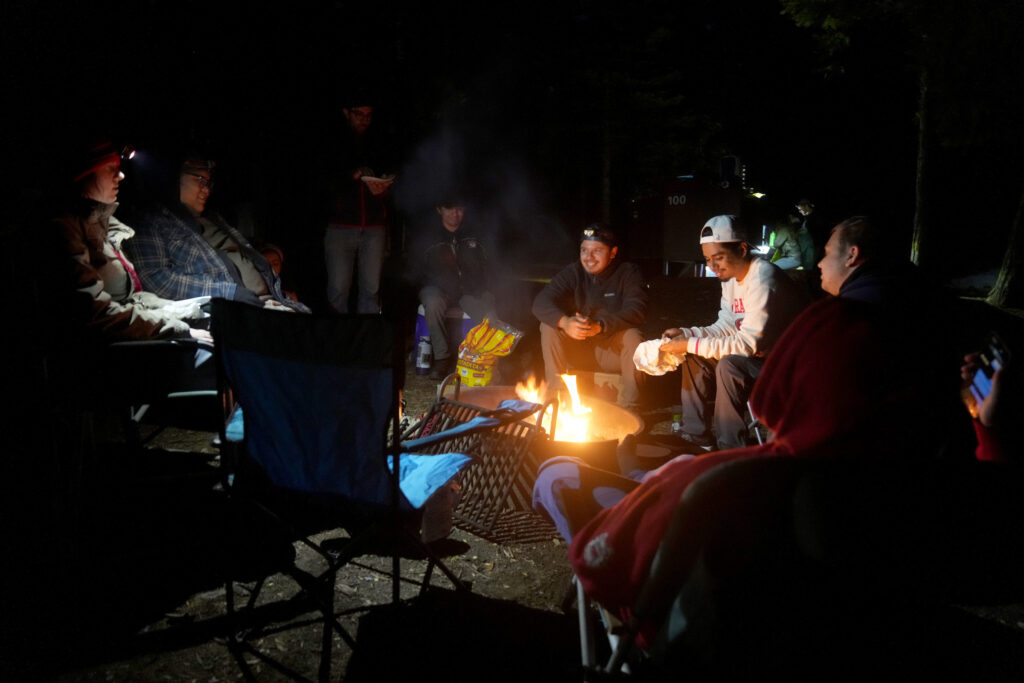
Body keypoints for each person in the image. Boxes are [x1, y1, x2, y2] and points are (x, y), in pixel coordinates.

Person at [564, 293, 973, 648]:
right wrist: (985, 425)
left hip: (698, 641)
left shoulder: (716, 480)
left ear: (783, 386)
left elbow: (592, 564)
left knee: (558, 475)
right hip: (815, 644)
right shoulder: (921, 505)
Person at [659, 215, 805, 450]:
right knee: (694, 355)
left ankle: (730, 450)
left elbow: (749, 343)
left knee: (729, 365)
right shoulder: (730, 278)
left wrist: (689, 342)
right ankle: (697, 437)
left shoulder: (763, 278)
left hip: (785, 365)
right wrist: (687, 334)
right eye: (708, 259)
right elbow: (726, 325)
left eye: (718, 258)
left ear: (742, 249)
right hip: (755, 358)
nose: (712, 266)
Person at [45, 140, 210, 347]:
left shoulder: (103, 225)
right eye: (110, 168)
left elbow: (132, 299)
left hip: (129, 328)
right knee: (206, 351)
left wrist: (186, 310)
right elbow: (95, 314)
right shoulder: (65, 229)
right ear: (84, 174)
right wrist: (176, 327)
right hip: (104, 349)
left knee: (212, 316)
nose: (121, 175)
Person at [125, 156, 308, 312]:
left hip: (271, 301)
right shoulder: (150, 221)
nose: (207, 189)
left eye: (209, 183)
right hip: (238, 311)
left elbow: (236, 253)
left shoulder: (213, 218)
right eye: (200, 181)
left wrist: (271, 259)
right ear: (175, 179)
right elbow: (155, 279)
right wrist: (229, 292)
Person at [532, 224, 647, 408]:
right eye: (584, 250)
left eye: (597, 251)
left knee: (633, 337)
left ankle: (630, 407)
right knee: (549, 326)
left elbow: (636, 310)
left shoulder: (628, 272)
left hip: (612, 352)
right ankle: (558, 401)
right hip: (580, 349)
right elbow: (540, 302)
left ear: (613, 252)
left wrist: (600, 326)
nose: (589, 257)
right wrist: (566, 322)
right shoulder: (574, 272)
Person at [323, 99, 394, 313]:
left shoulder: (377, 141)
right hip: (341, 226)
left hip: (373, 227)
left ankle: (367, 341)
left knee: (371, 290)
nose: (364, 120)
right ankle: (339, 342)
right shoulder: (332, 142)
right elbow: (322, 183)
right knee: (338, 289)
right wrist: (352, 176)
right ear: (346, 113)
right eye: (359, 114)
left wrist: (383, 188)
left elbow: (389, 175)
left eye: (368, 115)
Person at [415, 197, 497, 379]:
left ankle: (488, 363)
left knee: (487, 309)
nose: (455, 213)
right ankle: (442, 360)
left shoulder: (473, 235)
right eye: (449, 208)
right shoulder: (429, 237)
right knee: (432, 302)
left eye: (459, 209)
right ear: (440, 210)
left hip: (468, 291)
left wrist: (485, 289)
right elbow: (416, 270)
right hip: (438, 289)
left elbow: (488, 266)